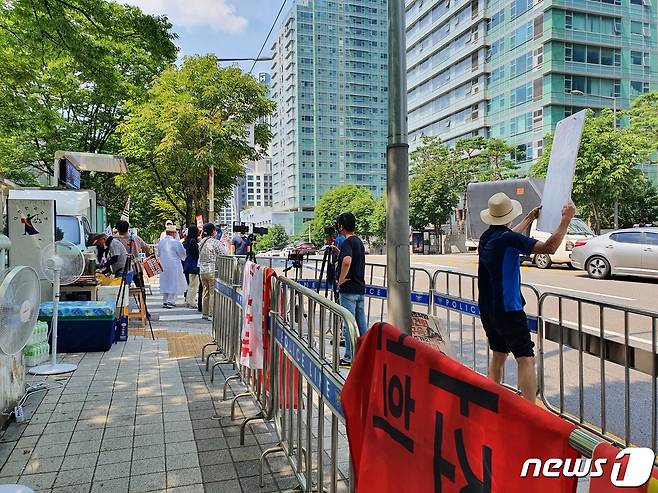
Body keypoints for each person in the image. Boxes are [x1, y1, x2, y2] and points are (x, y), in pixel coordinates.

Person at [478, 192, 576, 402]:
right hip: (508, 309)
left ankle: (487, 402)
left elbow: (510, 235)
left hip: (488, 309)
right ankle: (530, 410)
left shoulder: (488, 237)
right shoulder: (508, 239)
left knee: (498, 356)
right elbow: (549, 248)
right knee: (526, 359)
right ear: (508, 215)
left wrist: (529, 220)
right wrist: (566, 220)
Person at [334, 212, 367, 366]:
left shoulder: (347, 242)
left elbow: (347, 261)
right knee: (361, 323)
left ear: (341, 226)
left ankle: (349, 356)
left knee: (348, 324)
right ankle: (365, 352)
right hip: (359, 288)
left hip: (348, 290)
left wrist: (340, 280)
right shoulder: (358, 242)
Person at [198, 223, 227, 320]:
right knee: (212, 292)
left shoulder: (201, 242)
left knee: (205, 291)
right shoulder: (215, 242)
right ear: (213, 231)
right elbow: (224, 254)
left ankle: (205, 313)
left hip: (202, 270)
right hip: (212, 269)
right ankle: (211, 314)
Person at [157, 223, 187, 308]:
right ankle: (171, 300)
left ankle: (165, 300)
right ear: (173, 233)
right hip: (174, 265)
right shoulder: (175, 242)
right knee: (173, 282)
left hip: (163, 265)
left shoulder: (161, 242)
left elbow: (158, 253)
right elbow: (182, 254)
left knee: (165, 282)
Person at [115, 220, 151, 288]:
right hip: (136, 267)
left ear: (118, 229)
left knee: (122, 289)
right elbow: (147, 248)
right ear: (128, 228)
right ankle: (142, 298)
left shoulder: (116, 240)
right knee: (140, 288)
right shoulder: (136, 238)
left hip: (122, 269)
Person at [182, 225, 200, 309]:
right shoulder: (193, 241)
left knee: (190, 284)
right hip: (193, 264)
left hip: (187, 263)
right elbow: (196, 253)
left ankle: (188, 300)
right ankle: (191, 302)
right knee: (194, 284)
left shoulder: (186, 241)